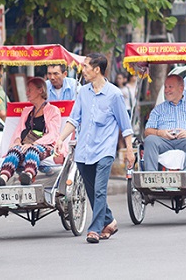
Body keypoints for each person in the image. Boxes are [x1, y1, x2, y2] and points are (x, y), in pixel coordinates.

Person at [55, 53, 133, 244]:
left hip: (105, 150)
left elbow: (126, 125)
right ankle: (109, 222)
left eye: (86, 67)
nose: (83, 70)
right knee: (91, 191)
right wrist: (60, 139)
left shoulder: (114, 94)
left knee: (99, 190)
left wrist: (130, 150)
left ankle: (94, 229)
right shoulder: (83, 92)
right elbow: (74, 119)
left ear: (97, 69)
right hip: (84, 151)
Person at [0, 77, 63, 186]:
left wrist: (33, 144)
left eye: (30, 90)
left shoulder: (53, 110)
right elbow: (19, 131)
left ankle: (28, 175)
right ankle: (3, 177)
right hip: (25, 144)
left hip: (44, 145)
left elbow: (53, 134)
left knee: (33, 150)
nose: (27, 92)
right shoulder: (27, 111)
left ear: (40, 90)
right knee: (15, 150)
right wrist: (18, 142)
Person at [144, 74, 186, 173]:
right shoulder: (158, 109)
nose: (166, 90)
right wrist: (161, 133)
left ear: (181, 88)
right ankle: (151, 176)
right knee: (150, 140)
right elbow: (148, 131)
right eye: (165, 87)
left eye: (170, 87)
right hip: (164, 141)